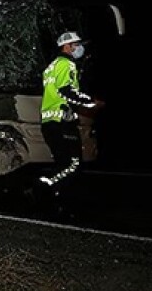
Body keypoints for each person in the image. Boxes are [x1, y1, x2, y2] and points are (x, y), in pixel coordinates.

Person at [39, 31, 104, 192]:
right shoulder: (66, 64)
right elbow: (65, 90)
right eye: (77, 45)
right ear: (66, 46)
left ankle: (52, 195)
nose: (79, 48)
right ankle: (43, 187)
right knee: (73, 164)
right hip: (62, 122)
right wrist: (90, 102)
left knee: (63, 163)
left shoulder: (51, 67)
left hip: (49, 122)